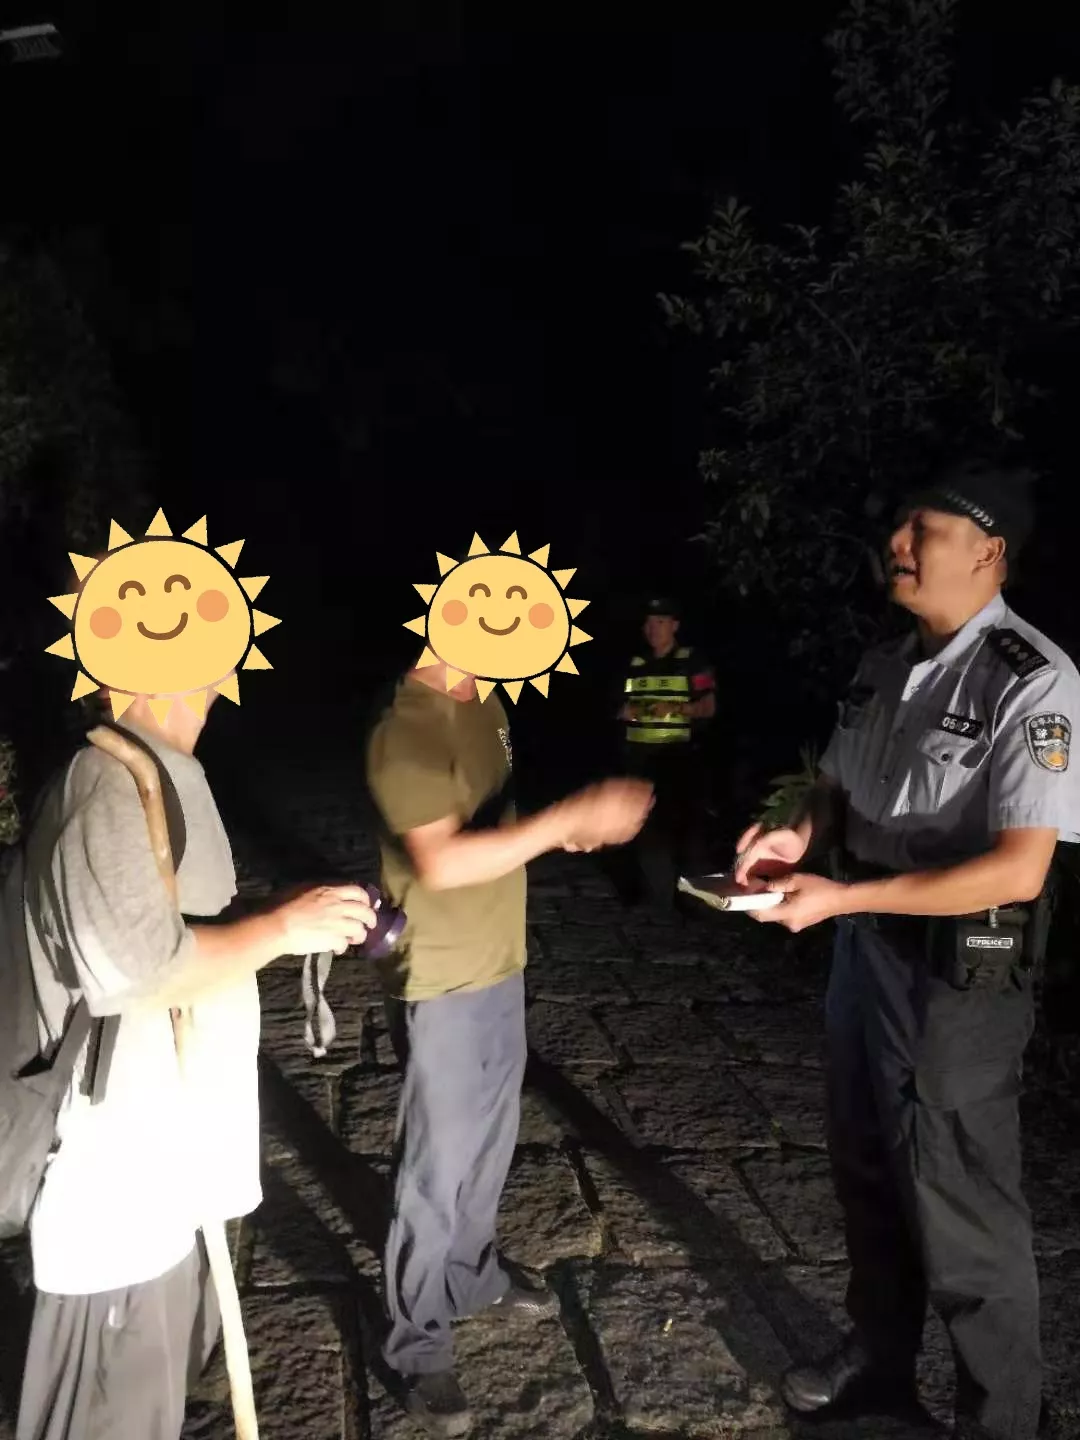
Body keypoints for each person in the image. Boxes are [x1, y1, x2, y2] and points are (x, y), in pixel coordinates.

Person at [734, 460, 1080, 1440]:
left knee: (961, 1198)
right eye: (898, 527)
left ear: (989, 550)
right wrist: (795, 834)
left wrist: (845, 894)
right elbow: (836, 787)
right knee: (869, 1169)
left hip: (959, 973)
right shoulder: (884, 662)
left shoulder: (1035, 680)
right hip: (864, 952)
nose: (896, 544)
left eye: (921, 530)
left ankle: (1004, 1418)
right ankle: (879, 1363)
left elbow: (1019, 869)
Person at [16, 685, 377, 1440]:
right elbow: (134, 971)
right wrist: (280, 928)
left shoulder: (168, 767)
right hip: (121, 1191)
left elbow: (177, 924)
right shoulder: (108, 779)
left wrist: (271, 915)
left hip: (177, 1167)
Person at [366, 651, 653, 1438]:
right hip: (441, 972)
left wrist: (562, 832)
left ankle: (470, 1275)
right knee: (437, 1167)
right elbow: (440, 860)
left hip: (499, 957)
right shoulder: (406, 728)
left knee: (491, 1144)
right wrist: (566, 821)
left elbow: (496, 831)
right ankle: (416, 1342)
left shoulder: (485, 699)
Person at [616, 596, 715, 910]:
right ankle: (647, 896)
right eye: (648, 622)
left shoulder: (692, 662)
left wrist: (676, 708)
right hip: (639, 759)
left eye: (660, 622)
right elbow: (617, 706)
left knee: (685, 828)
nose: (652, 628)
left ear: (675, 626)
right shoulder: (635, 663)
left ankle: (691, 899)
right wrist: (625, 711)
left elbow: (709, 707)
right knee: (640, 827)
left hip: (679, 758)